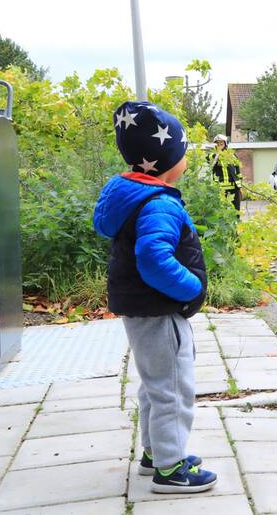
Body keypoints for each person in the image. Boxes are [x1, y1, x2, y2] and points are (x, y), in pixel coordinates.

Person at [92, 100, 217, 494]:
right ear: (165, 161)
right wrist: (191, 288)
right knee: (173, 387)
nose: (185, 160)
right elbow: (153, 257)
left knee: (154, 383)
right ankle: (170, 468)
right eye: (181, 153)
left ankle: (155, 453)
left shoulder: (132, 195)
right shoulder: (159, 203)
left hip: (141, 309)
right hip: (160, 309)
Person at [211, 134, 242, 212]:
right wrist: (218, 152)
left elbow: (238, 171)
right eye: (217, 144)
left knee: (236, 210)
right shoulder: (213, 155)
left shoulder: (232, 155)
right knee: (221, 210)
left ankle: (236, 223)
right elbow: (210, 161)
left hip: (233, 187)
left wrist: (240, 186)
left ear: (225, 144)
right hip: (220, 188)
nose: (219, 145)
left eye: (221, 143)